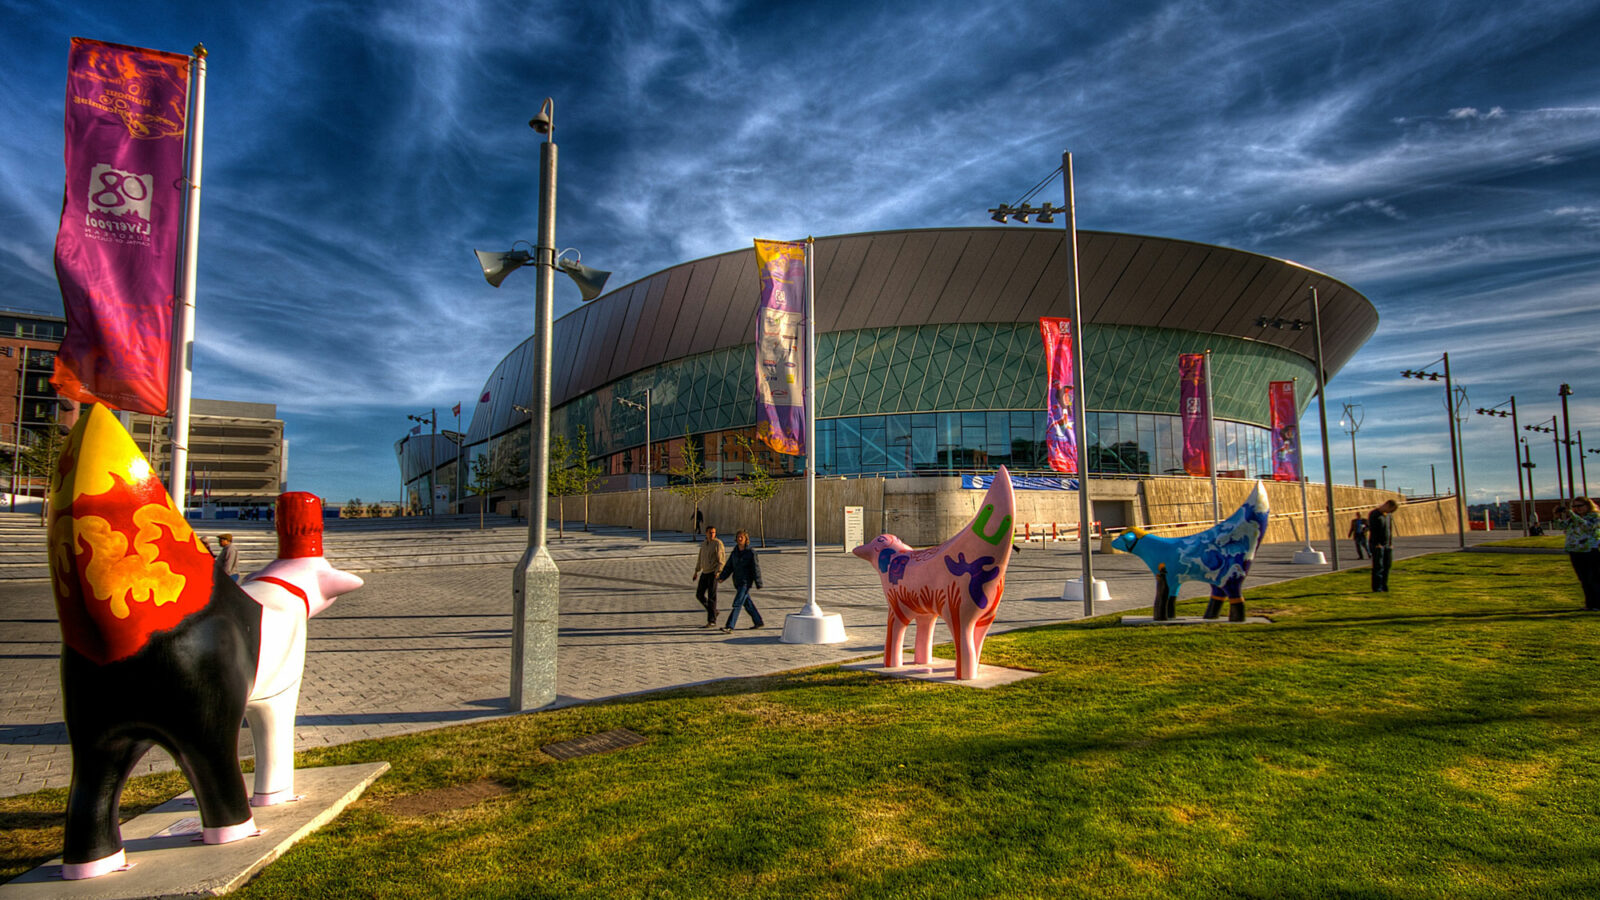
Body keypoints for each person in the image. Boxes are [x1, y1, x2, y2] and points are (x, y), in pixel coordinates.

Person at [1553, 498, 1600, 610]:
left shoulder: (1595, 517)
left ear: (1588, 505)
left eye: (1579, 506)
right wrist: (1556, 516)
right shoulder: (1573, 519)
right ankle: (1590, 604)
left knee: (1593, 579)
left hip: (1590, 550)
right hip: (1575, 551)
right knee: (1583, 579)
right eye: (1574, 507)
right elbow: (1560, 527)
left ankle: (1598, 604)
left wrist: (1572, 514)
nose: (1577, 509)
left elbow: (1587, 527)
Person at [717, 529, 765, 632]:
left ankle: (730, 626)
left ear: (746, 539)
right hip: (737, 581)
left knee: (737, 603)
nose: (739, 539)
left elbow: (755, 568)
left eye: (741, 537)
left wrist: (758, 582)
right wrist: (722, 577)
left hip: (746, 582)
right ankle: (758, 621)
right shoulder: (735, 552)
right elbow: (729, 566)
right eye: (738, 537)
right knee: (747, 603)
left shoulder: (751, 553)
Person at [692, 526, 727, 628]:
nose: (712, 534)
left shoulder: (718, 543)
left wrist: (718, 571)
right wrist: (696, 571)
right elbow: (700, 558)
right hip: (705, 572)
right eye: (710, 532)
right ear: (706, 533)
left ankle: (712, 620)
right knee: (699, 594)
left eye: (714, 532)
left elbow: (721, 559)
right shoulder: (703, 544)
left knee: (712, 597)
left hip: (713, 573)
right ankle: (713, 611)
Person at [1367, 500, 1398, 592]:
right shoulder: (1374, 514)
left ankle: (1384, 585)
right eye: (1390, 510)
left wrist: (1390, 543)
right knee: (1378, 566)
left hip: (1387, 544)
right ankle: (1377, 587)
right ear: (1387, 505)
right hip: (1377, 545)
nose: (1389, 512)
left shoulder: (1388, 516)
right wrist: (1377, 544)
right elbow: (1373, 530)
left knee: (1387, 566)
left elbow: (1389, 530)